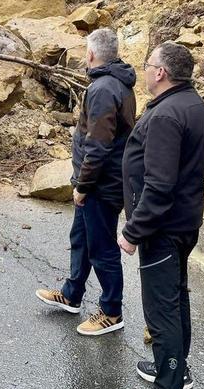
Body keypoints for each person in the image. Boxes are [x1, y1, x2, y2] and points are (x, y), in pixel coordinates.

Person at [118, 42, 204, 389]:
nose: (144, 71)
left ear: (161, 73)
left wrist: (132, 230)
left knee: (162, 313)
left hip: (163, 228)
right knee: (177, 297)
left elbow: (159, 185)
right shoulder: (197, 107)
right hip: (185, 222)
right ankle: (174, 370)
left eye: (148, 65)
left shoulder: (165, 115)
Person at [36, 28, 137, 336]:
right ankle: (72, 293)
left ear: (92, 55)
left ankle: (111, 311)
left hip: (101, 185)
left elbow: (99, 145)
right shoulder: (115, 83)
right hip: (100, 181)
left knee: (102, 248)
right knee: (81, 238)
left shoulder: (104, 89)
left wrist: (82, 185)